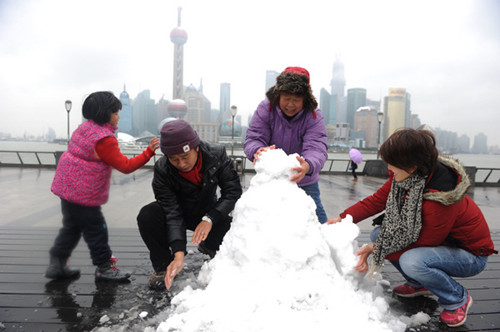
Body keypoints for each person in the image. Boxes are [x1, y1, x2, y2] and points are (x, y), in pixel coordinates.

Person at [327, 128, 497, 327]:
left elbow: (425, 240)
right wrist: (342, 217)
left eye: (393, 163)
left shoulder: (440, 198)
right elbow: (375, 201)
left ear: (412, 165)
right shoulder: (406, 177)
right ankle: (419, 284)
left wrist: (376, 249)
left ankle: (457, 298)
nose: (388, 168)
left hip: (470, 255)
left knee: (411, 260)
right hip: (440, 244)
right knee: (378, 234)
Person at [46, 91, 160, 282]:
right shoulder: (104, 139)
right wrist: (148, 152)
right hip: (83, 194)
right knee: (97, 229)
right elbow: (125, 166)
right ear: (105, 113)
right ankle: (104, 268)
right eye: (116, 112)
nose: (118, 116)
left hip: (67, 188)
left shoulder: (85, 128)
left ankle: (57, 264)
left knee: (72, 227)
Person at [137, 119, 242, 291]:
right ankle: (164, 266)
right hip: (179, 211)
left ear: (197, 147)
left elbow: (233, 192)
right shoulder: (163, 169)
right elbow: (172, 212)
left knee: (232, 235)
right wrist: (179, 254)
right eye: (174, 159)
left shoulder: (217, 155)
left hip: (207, 212)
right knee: (148, 215)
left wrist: (210, 218)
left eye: (185, 156)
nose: (182, 164)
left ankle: (208, 245)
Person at [244, 66, 329, 224]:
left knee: (316, 219)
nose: (290, 104)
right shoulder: (266, 108)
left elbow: (317, 145)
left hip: (303, 179)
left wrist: (307, 165)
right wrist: (257, 150)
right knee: (264, 221)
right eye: (286, 98)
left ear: (305, 99)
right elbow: (254, 136)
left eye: (296, 100)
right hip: (271, 178)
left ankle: (329, 246)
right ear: (278, 95)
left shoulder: (314, 115)